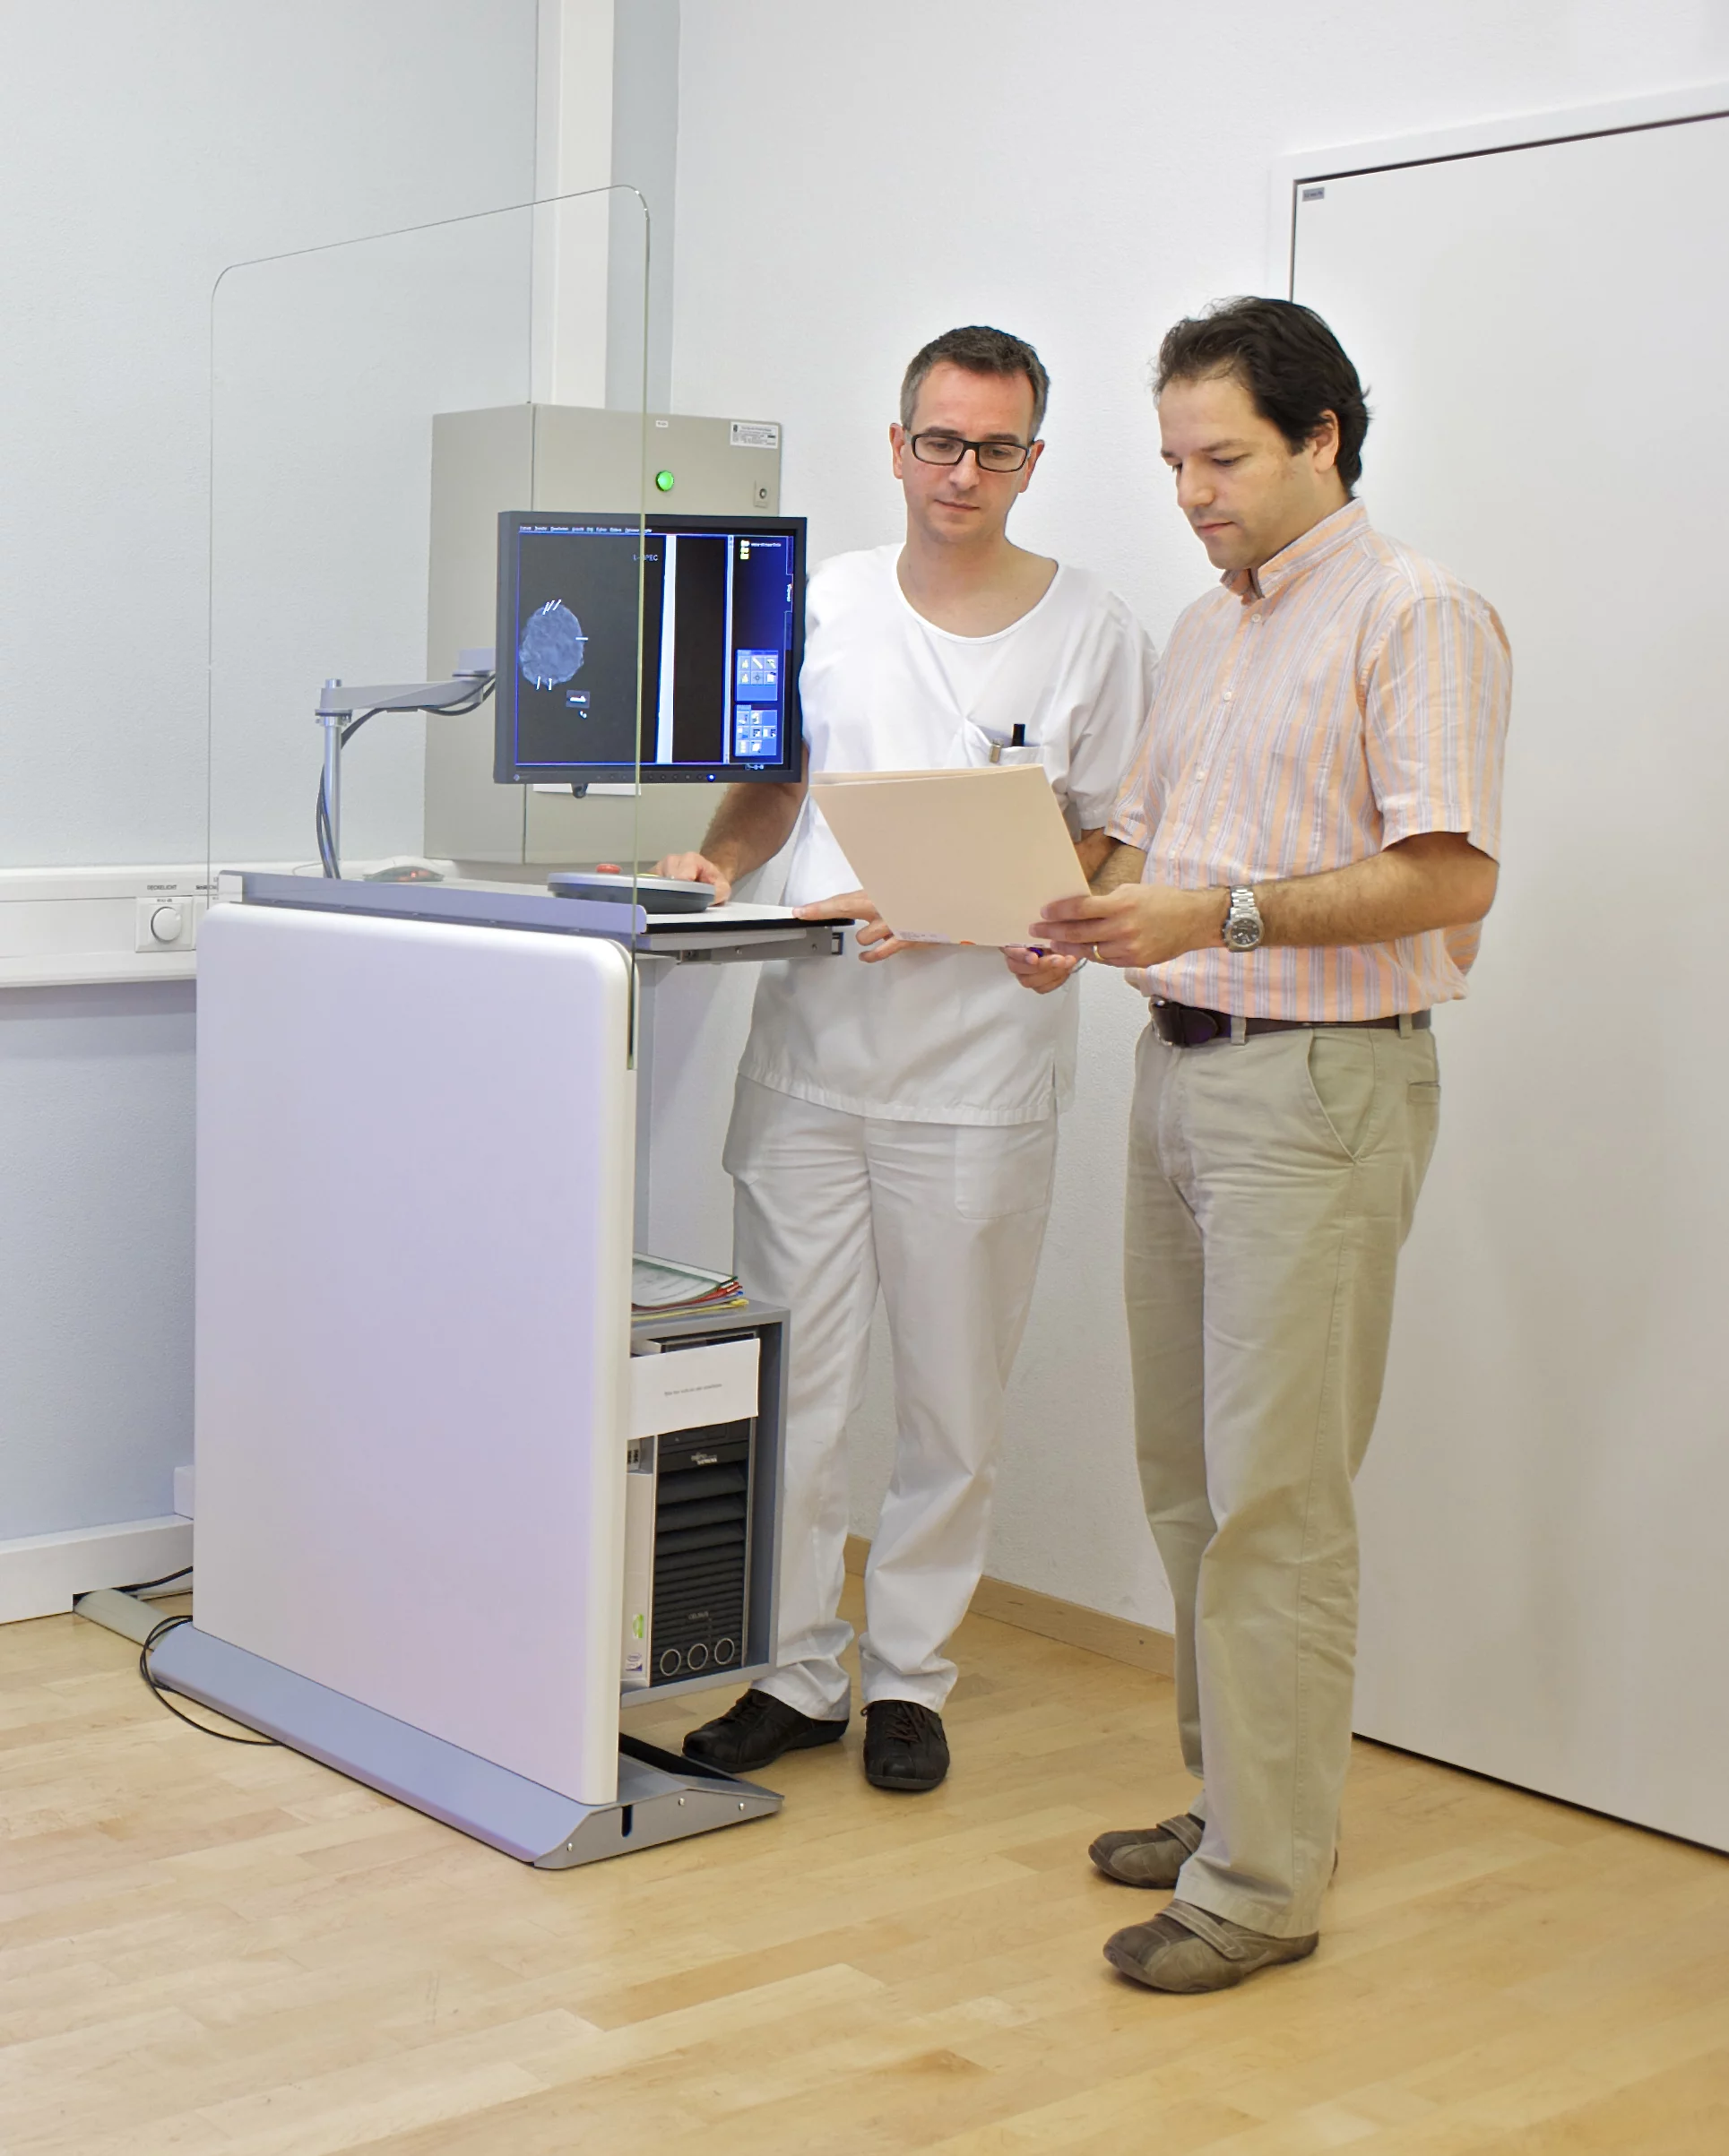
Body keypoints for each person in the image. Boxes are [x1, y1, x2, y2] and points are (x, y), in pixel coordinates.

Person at [1033, 298, 1510, 1991]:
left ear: (1322, 437)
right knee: (1187, 1479)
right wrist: (1065, 916)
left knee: (1279, 1504)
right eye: (1171, 460)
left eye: (1221, 456)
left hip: (1319, 1091)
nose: (1190, 491)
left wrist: (1210, 909)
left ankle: (1262, 1882)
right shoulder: (1207, 626)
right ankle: (1235, 1794)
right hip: (1182, 1071)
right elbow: (1145, 846)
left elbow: (1449, 875)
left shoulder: (1417, 614)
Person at [659, 324, 1155, 1794]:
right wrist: (715, 855)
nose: (963, 471)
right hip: (813, 1062)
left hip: (979, 1078)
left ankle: (911, 1678)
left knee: (951, 1398)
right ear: (895, 446)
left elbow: (1115, 829)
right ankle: (799, 1671)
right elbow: (775, 780)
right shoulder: (831, 604)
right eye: (939, 440)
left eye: (995, 447)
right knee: (796, 1385)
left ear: (1034, 461)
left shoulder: (1093, 630)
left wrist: (1061, 917)